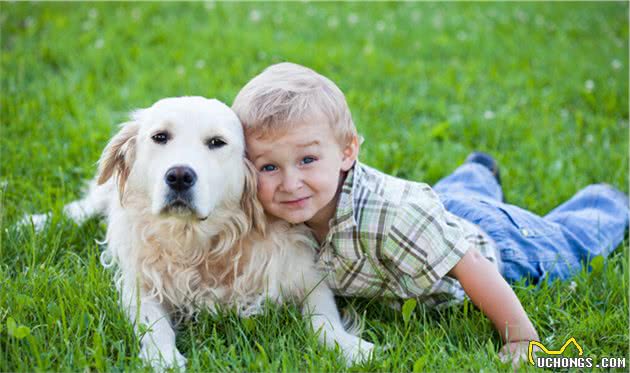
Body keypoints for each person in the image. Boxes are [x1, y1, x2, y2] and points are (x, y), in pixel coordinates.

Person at [231, 62, 629, 365]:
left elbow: (469, 261)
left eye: (307, 159)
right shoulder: (280, 210)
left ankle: (605, 201)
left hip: (499, 247)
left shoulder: (391, 219)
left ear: (348, 151)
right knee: (448, 202)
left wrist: (521, 339)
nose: (289, 182)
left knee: (570, 246)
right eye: (269, 167)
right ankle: (476, 173)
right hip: (440, 212)